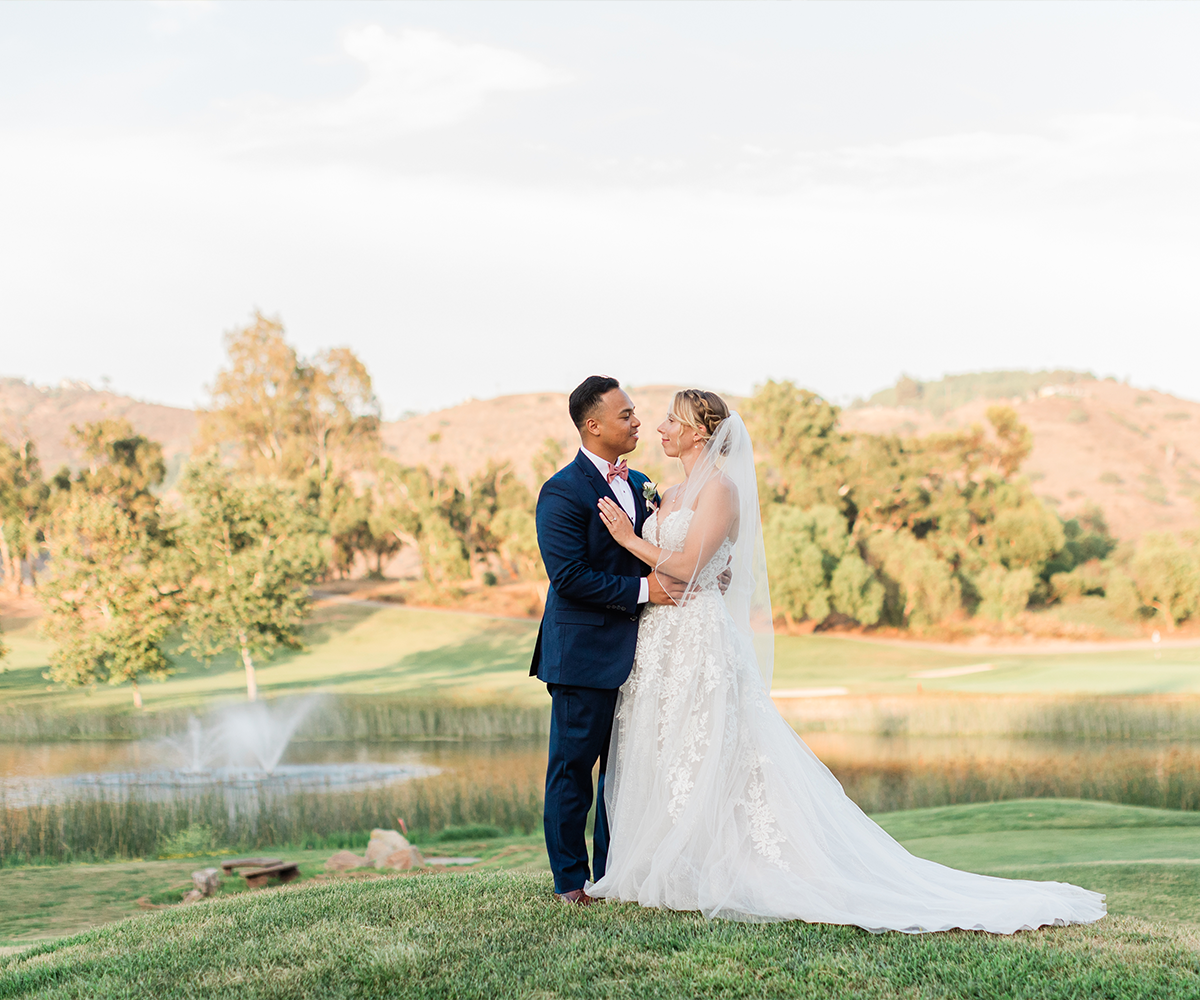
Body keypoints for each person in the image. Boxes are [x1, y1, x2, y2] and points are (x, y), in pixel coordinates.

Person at [586, 388, 1106, 934]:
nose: (660, 426)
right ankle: (665, 863)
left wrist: (629, 538)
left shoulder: (721, 490)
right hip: (660, 639)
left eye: (672, 419)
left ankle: (729, 865)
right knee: (668, 745)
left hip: (700, 639)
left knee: (713, 747)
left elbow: (692, 561)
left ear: (699, 432)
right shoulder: (665, 492)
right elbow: (711, 568)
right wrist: (663, 555)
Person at [530, 375, 687, 904]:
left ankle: (612, 874)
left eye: (635, 413)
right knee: (574, 771)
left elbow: (661, 547)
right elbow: (569, 577)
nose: (637, 421)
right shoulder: (561, 491)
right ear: (592, 426)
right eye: (626, 415)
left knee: (625, 773)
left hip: (642, 655)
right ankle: (570, 882)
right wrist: (647, 589)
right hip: (582, 656)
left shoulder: (642, 480)